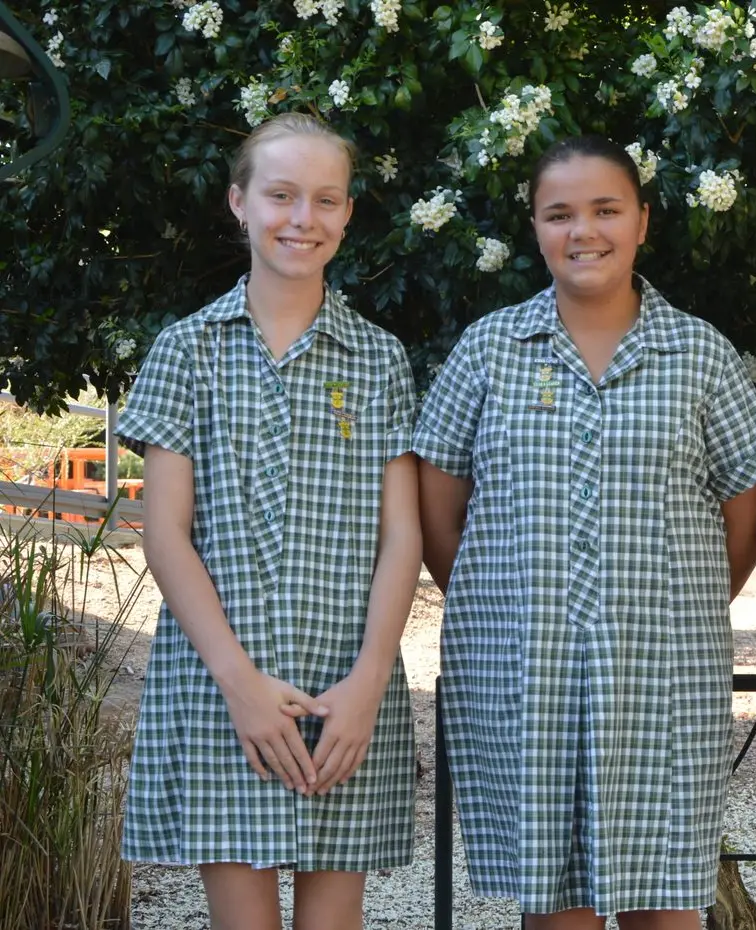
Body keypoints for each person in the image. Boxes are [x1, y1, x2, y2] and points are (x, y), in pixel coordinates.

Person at [414, 135, 756, 929]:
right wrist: (500, 601)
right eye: (560, 214)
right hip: (524, 672)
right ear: (537, 229)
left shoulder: (698, 354)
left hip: (661, 675)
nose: (584, 230)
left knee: (663, 906)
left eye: (605, 209)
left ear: (641, 221)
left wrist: (685, 603)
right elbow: (436, 505)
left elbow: (744, 502)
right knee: (556, 908)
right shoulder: (488, 351)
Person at [118, 112, 420, 930]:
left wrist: (365, 684)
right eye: (281, 195)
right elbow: (165, 533)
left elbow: (403, 536)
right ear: (239, 203)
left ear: (348, 214)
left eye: (326, 200)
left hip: (346, 686)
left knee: (333, 919)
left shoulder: (381, 359)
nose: (302, 218)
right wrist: (242, 686)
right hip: (224, 683)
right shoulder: (187, 350)